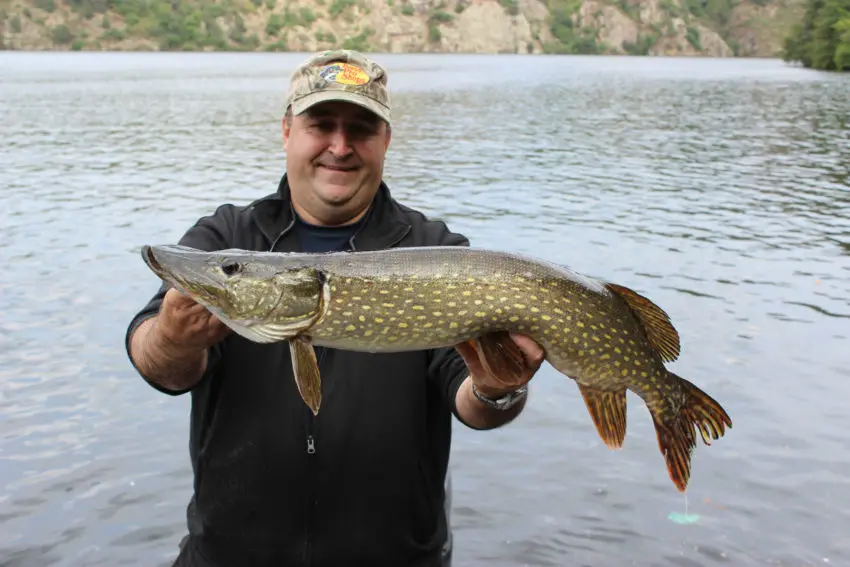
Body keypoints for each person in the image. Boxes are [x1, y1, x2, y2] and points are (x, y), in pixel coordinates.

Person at [125, 49, 544, 567]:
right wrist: (172, 339)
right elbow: (155, 361)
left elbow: (473, 402)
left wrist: (499, 388)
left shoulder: (437, 250)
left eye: (361, 130)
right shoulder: (226, 239)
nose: (339, 147)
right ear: (287, 131)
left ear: (385, 141)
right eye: (321, 124)